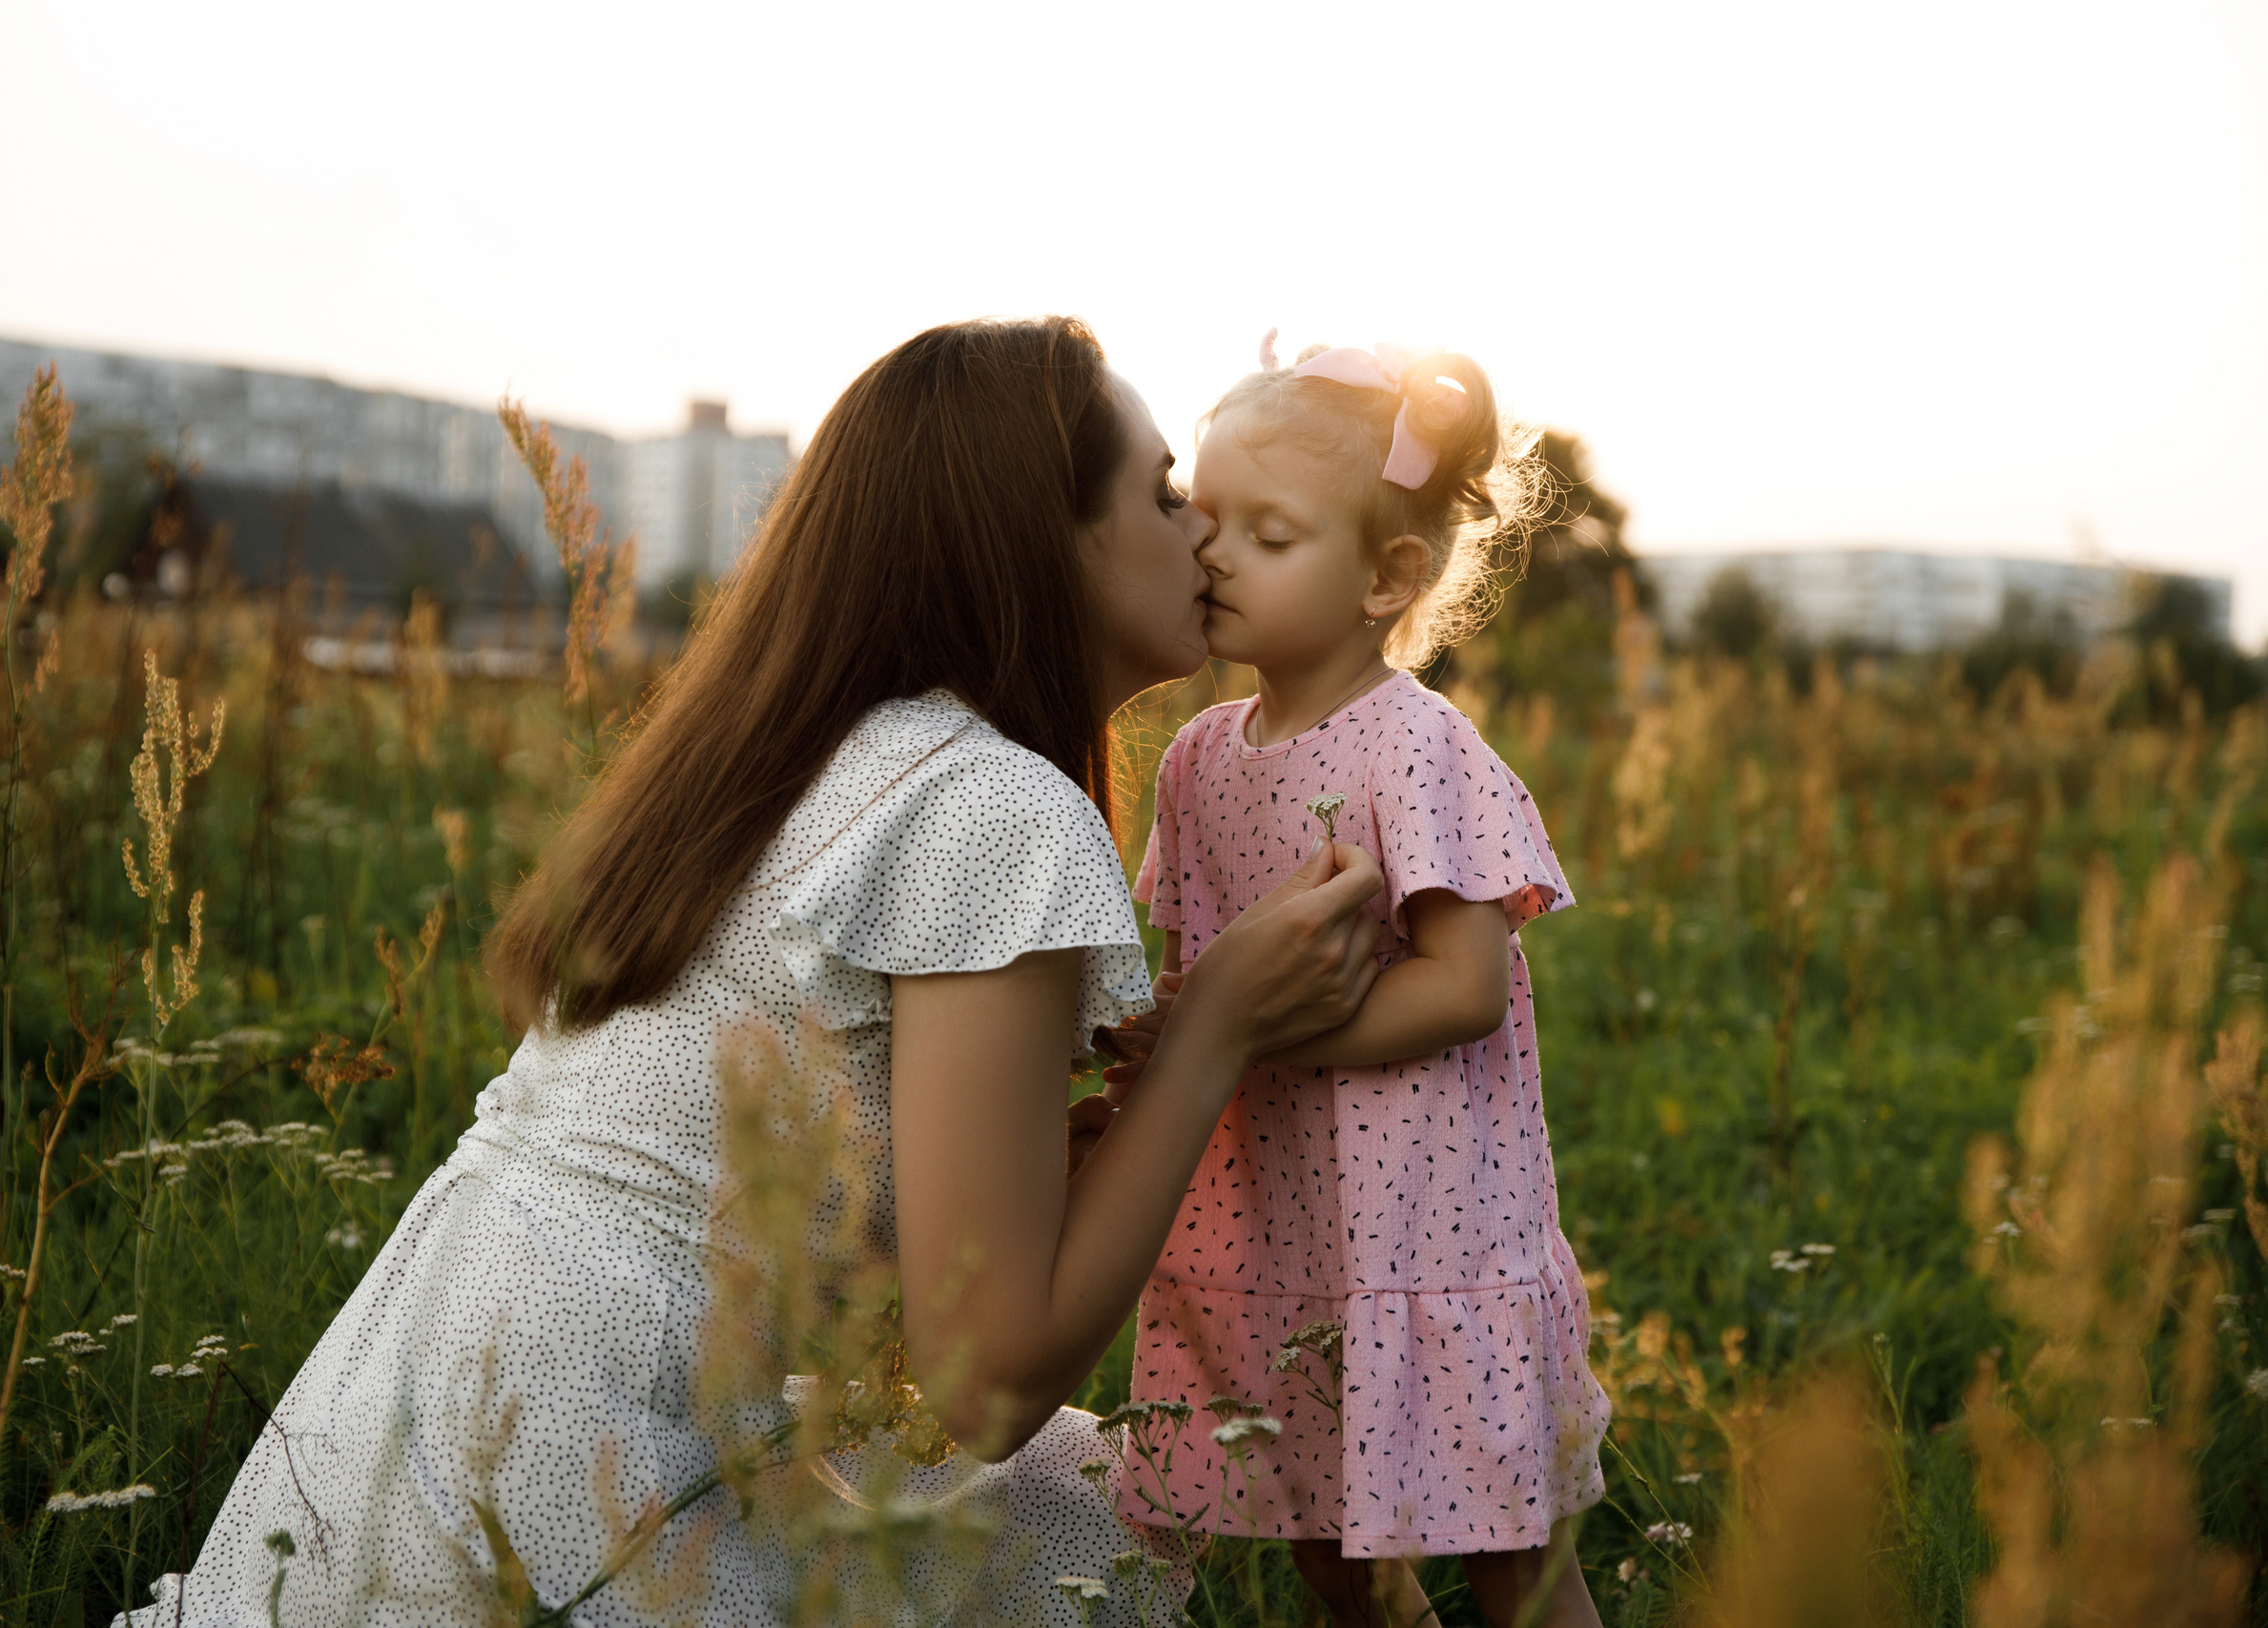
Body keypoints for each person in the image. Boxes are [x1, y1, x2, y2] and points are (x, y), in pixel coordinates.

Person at [127, 318, 1386, 1626]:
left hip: (412, 1430)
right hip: (581, 1470)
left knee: (1062, 1500)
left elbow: (788, 1246)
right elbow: (990, 1388)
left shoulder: (818, 758)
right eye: (1165, 492)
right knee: (1088, 1516)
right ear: (1043, 536)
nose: (1202, 532)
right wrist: (1214, 1033)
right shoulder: (989, 807)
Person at [1106, 334, 1609, 1627]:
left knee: (1516, 1558)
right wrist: (1161, 1041)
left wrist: (1256, 1037)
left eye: (1268, 534)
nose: (1214, 554)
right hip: (1285, 1218)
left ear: (1388, 577)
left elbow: (1462, 987)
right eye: (1204, 519)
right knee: (1327, 1542)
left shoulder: (1416, 747)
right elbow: (1196, 961)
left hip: (1433, 1218)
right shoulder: (1197, 760)